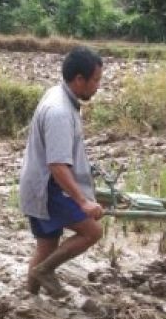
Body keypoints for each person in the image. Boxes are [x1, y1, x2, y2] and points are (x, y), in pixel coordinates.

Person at [18, 46, 105, 298]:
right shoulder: (60, 112)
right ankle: (44, 272)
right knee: (92, 231)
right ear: (79, 79)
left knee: (46, 247)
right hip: (50, 187)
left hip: (38, 183)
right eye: (96, 80)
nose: (98, 86)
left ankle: (28, 300)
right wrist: (83, 202)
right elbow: (57, 165)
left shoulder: (58, 94)